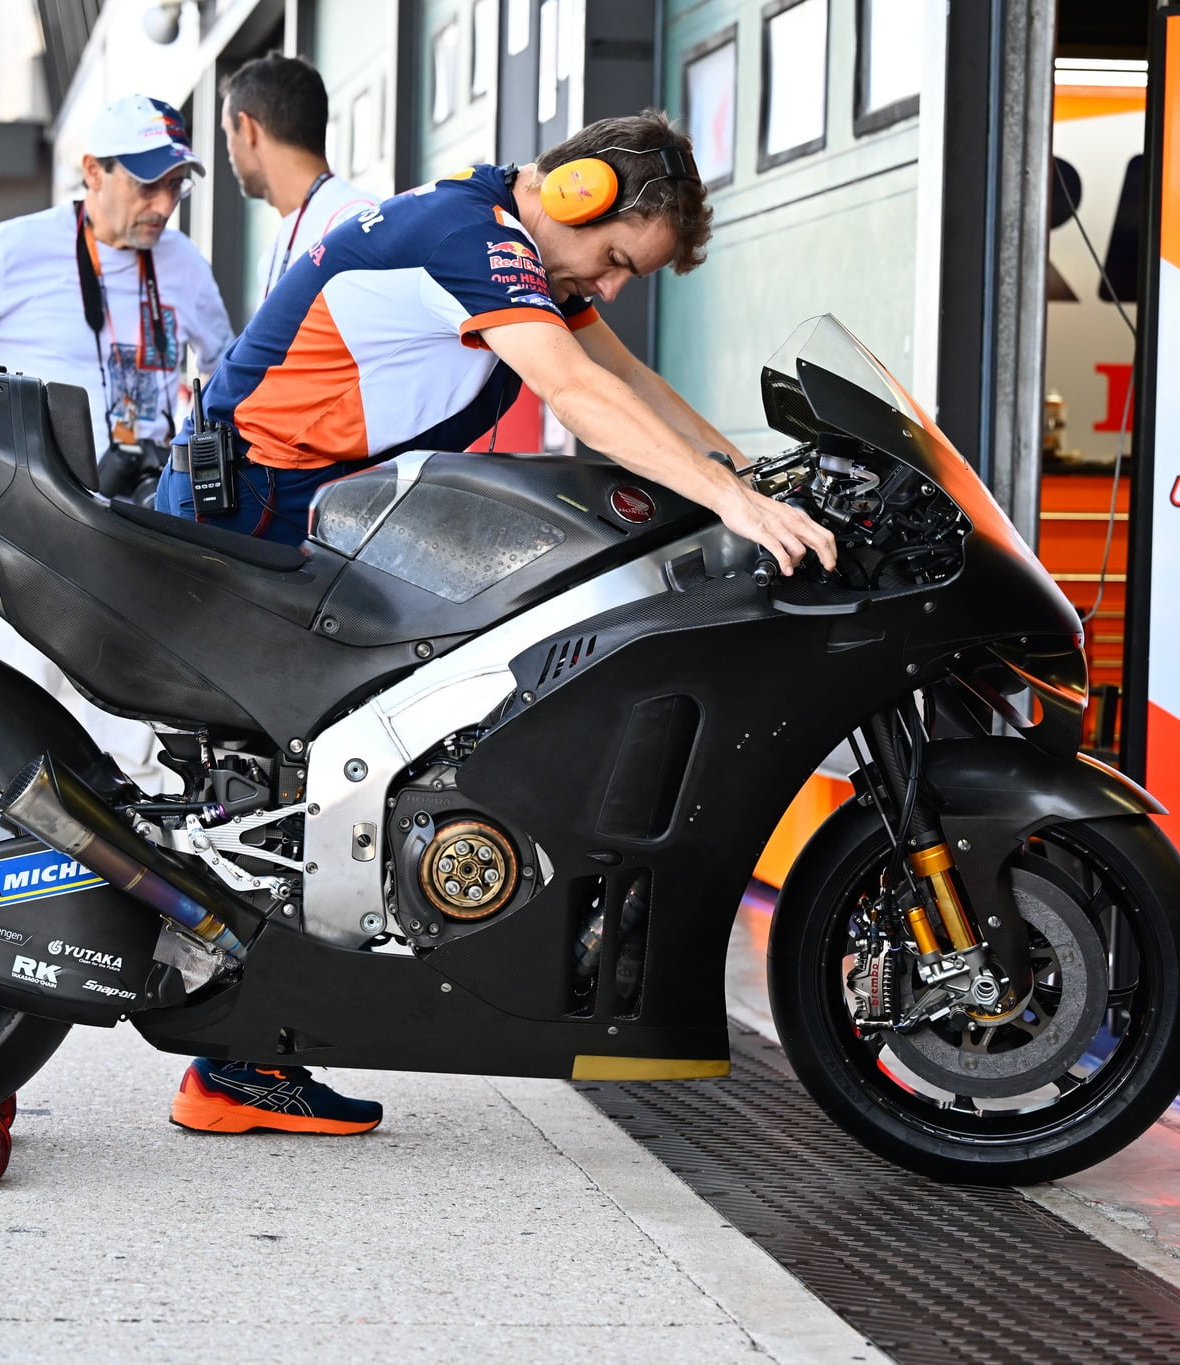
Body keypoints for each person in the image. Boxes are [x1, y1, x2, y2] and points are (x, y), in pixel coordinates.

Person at [160, 110, 836, 1136]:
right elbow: (573, 389)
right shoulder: (469, 238)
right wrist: (732, 504)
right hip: (249, 500)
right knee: (277, 782)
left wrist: (755, 478)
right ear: (576, 194)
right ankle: (231, 1060)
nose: (610, 287)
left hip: (299, 503)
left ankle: (247, 1050)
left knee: (320, 770)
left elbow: (628, 379)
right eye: (617, 261)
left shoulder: (520, 251)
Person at [0, 94, 233, 789]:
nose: (163, 204)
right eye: (147, 183)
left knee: (138, 714)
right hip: (32, 519)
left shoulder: (182, 261)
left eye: (176, 185)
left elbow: (224, 370)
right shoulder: (18, 247)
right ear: (93, 171)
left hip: (141, 518)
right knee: (29, 707)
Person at [220, 54, 377, 309]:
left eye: (227, 133)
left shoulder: (355, 222)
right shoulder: (273, 254)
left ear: (247, 129)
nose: (229, 152)